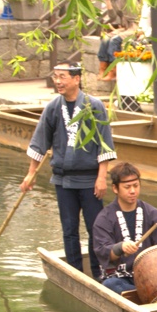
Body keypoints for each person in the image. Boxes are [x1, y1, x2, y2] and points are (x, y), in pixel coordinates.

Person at [21, 61, 116, 279]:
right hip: (63, 181)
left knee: (96, 229)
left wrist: (102, 177)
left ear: (76, 79)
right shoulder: (53, 107)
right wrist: (30, 173)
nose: (58, 82)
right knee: (69, 229)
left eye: (62, 77)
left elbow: (105, 143)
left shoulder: (95, 106)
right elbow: (40, 142)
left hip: (90, 179)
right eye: (55, 77)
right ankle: (75, 272)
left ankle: (99, 272)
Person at [91, 162, 157, 294]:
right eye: (127, 187)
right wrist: (120, 247)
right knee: (110, 284)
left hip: (153, 276)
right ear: (115, 188)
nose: (132, 191)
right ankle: (147, 294)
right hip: (122, 278)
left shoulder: (154, 215)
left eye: (136, 186)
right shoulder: (104, 219)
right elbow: (102, 251)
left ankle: (145, 293)